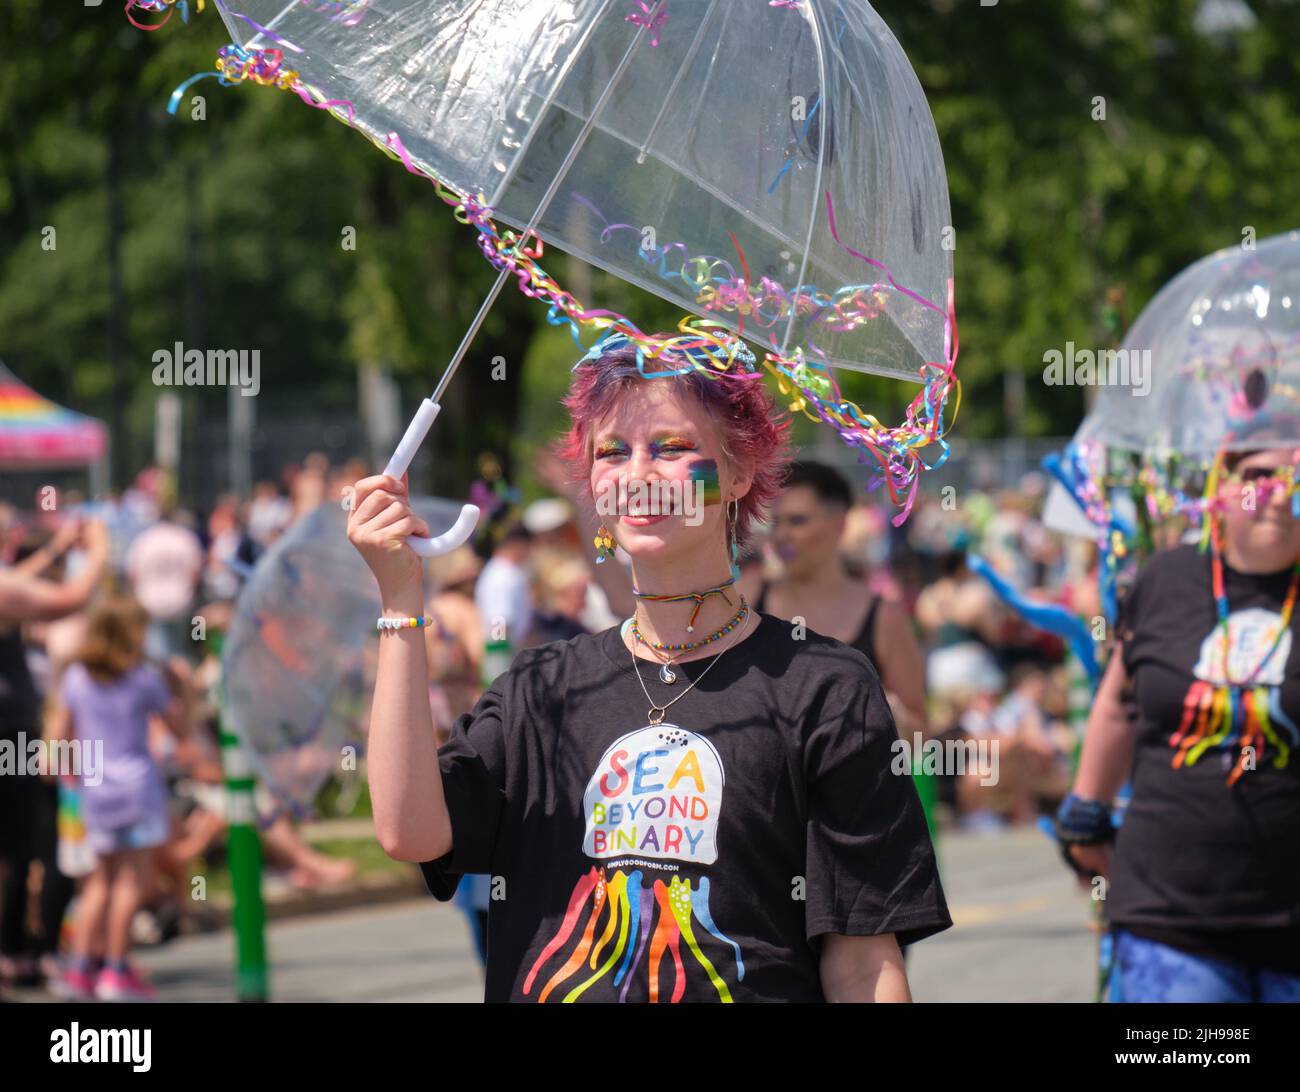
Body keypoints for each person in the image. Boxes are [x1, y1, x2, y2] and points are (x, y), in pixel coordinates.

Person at [349, 334, 950, 1002]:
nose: (638, 474)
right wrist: (400, 598)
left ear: (740, 473)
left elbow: (863, 959)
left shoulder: (825, 687)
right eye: (612, 451)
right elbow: (409, 831)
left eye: (671, 447)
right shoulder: (539, 688)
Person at [1060, 443, 1300, 1002]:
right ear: (1219, 487)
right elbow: (1120, 702)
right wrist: (1086, 814)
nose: (1279, 492)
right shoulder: (1167, 578)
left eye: (1297, 474)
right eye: (1258, 476)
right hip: (1171, 912)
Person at [49, 595, 188, 1001]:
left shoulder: (76, 678)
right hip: (136, 788)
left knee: (95, 885)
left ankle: (78, 969)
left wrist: (68, 779)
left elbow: (59, 739)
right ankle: (116, 967)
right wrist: (179, 690)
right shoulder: (144, 679)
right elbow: (178, 729)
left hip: (95, 790)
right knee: (130, 881)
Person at [750, 461, 928, 736]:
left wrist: (880, 709)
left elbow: (918, 731)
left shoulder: (883, 616)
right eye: (776, 523)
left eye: (797, 521)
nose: (782, 535)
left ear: (839, 524)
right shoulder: (747, 597)